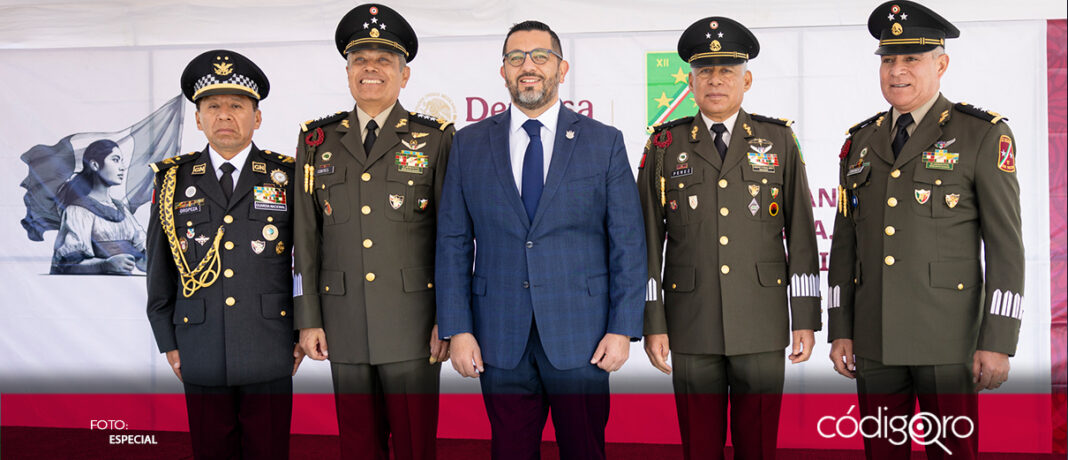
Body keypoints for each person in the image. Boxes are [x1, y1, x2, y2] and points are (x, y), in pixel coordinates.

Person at [435, 20, 646, 460]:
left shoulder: (603, 143)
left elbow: (628, 241)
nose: (527, 66)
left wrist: (623, 327)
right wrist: (457, 328)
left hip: (583, 337)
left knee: (584, 450)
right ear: (503, 71)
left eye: (539, 57)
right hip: (498, 336)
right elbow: (453, 241)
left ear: (561, 68)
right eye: (516, 58)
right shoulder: (468, 144)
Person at [827, 2, 1024, 459]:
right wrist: (841, 327)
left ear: (941, 64)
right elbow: (844, 245)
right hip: (874, 340)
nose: (897, 71)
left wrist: (997, 341)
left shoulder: (981, 135)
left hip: (948, 341)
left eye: (911, 59)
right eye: (888, 59)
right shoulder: (859, 141)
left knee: (952, 452)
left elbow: (1006, 248)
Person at [637, 16, 820, 460]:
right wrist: (653, 322)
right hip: (690, 321)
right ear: (690, 80)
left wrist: (805, 318)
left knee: (757, 444)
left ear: (747, 79)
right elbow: (646, 240)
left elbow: (800, 234)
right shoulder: (663, 144)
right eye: (705, 72)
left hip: (761, 320)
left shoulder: (777, 140)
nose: (715, 81)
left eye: (727, 72)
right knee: (699, 445)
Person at [291, 4, 451, 460]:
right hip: (342, 323)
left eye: (384, 60)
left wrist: (450, 316)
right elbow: (306, 238)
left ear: (404, 75)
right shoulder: (316, 140)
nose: (371, 69)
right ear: (348, 73)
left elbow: (451, 236)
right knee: (357, 445)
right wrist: (309, 318)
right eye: (361, 60)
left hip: (414, 323)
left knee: (416, 445)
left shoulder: (436, 138)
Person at [146, 49, 303, 460]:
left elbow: (306, 261)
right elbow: (159, 270)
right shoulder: (172, 182)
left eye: (237, 106)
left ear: (258, 117)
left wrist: (304, 330)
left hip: (270, 343)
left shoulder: (287, 176)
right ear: (198, 119)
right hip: (199, 343)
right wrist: (168, 339)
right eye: (213, 106)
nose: (225, 116)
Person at [51, 139, 147, 274]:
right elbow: (66, 264)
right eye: (115, 160)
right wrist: (104, 265)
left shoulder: (121, 209)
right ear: (95, 165)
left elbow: (143, 253)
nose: (122, 167)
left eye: (121, 160)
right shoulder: (78, 210)